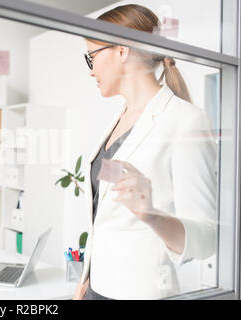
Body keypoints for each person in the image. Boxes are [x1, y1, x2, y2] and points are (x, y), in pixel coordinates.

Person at [74, 4, 217, 300]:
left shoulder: (186, 120)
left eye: (92, 57)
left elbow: (207, 238)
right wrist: (87, 281)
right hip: (97, 289)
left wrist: (151, 214)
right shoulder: (119, 118)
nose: (91, 71)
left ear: (122, 49)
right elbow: (107, 215)